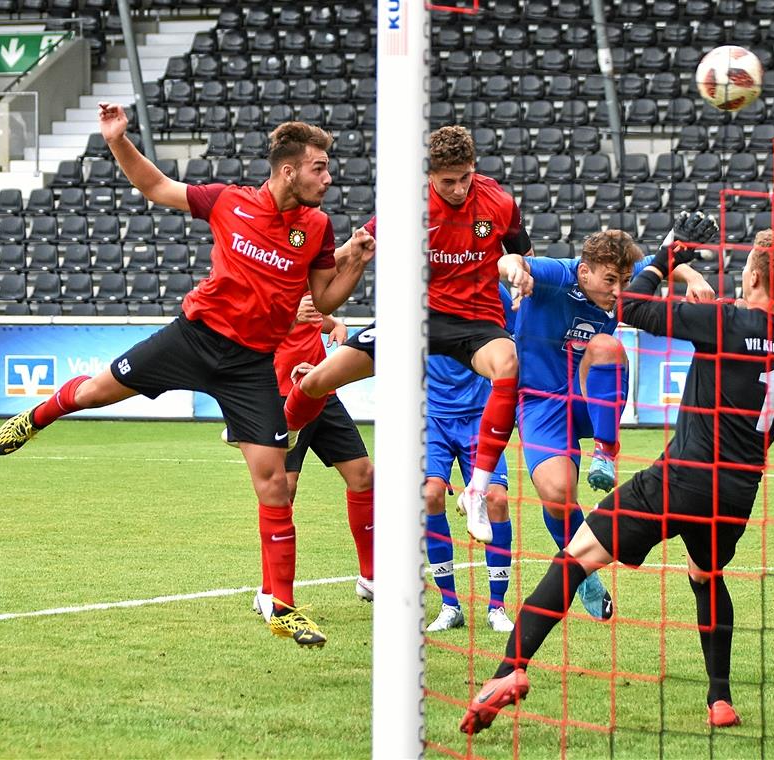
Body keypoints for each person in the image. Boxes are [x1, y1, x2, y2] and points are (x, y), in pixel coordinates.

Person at [0, 104, 375, 649]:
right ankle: (36, 416)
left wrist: (355, 263)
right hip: (192, 339)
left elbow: (323, 297)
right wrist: (118, 140)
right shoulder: (228, 201)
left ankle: (283, 607)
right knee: (98, 391)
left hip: (251, 366)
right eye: (319, 167)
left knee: (273, 483)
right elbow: (156, 187)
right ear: (289, 170)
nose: (328, 177)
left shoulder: (316, 226)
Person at [460, 218, 774, 734]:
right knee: (706, 576)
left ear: (756, 279)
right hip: (738, 494)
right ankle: (719, 699)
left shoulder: (722, 321)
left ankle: (509, 671)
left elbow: (628, 304)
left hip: (681, 480)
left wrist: (665, 260)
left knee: (575, 559)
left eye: (745, 270)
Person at [281, 125, 534, 546]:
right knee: (317, 381)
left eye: (464, 178)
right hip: (413, 316)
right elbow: (357, 247)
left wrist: (520, 271)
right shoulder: (408, 205)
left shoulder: (500, 203)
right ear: (429, 175)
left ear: (474, 169)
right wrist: (304, 292)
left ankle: (477, 488)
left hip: (474, 319)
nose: (457, 189)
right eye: (446, 181)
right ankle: (282, 428)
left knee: (507, 365)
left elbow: (522, 255)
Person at [504, 229, 715, 620]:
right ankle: (581, 572)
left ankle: (605, 451)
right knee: (556, 492)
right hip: (540, 401)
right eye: (610, 281)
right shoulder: (558, 274)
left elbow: (665, 261)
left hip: (591, 394)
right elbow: (511, 262)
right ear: (584, 272)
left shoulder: (619, 286)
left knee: (607, 345)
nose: (619, 291)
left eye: (625, 281)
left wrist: (693, 277)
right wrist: (514, 269)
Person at [222, 293, 375, 620]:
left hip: (320, 391)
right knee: (282, 491)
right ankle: (268, 591)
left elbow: (318, 314)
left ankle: (370, 576)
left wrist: (336, 324)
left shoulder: (305, 279)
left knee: (363, 475)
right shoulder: (262, 281)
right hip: (279, 397)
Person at [424, 354, 514, 634]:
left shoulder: (483, 312)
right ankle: (450, 605)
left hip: (481, 416)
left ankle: (497, 607)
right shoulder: (418, 315)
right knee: (430, 496)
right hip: (432, 418)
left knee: (497, 499)